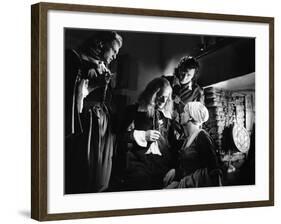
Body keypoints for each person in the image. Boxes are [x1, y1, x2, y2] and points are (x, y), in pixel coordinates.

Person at [64, 31, 123, 193]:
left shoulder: (102, 65)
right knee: (86, 167)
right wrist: (95, 85)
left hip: (102, 121)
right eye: (114, 51)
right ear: (101, 44)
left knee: (102, 167)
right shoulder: (76, 59)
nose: (115, 56)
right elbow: (72, 97)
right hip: (86, 121)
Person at [117, 77, 178, 191]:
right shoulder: (133, 111)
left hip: (161, 164)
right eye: (161, 96)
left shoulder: (168, 117)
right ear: (152, 94)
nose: (164, 101)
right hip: (138, 162)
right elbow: (120, 137)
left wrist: (174, 168)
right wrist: (143, 136)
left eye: (167, 97)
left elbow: (173, 145)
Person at [164, 102, 221, 188]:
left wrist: (182, 183)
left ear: (191, 117)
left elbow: (213, 171)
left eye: (184, 112)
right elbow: (189, 166)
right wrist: (176, 172)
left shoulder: (202, 136)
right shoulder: (186, 139)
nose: (181, 114)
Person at [164, 56, 204, 122]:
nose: (184, 78)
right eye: (183, 72)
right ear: (179, 69)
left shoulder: (197, 91)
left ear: (194, 76)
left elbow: (198, 117)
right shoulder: (165, 81)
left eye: (189, 75)